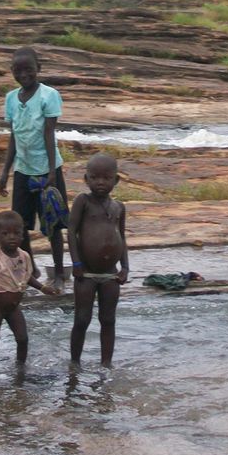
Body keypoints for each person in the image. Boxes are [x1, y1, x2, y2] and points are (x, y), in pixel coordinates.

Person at [0, 47, 69, 291]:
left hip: (47, 169)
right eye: (18, 70)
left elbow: (49, 134)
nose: (24, 74)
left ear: (39, 68)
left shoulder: (49, 95)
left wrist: (50, 172)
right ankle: (31, 269)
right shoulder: (11, 99)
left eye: (29, 69)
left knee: (54, 224)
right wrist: (5, 172)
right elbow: (14, 137)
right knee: (21, 226)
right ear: (12, 71)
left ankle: (59, 273)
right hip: (23, 170)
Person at [0, 210, 56, 364]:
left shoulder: (24, 256)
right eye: (5, 233)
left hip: (13, 308)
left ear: (22, 236)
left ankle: (20, 369)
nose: (11, 237)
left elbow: (27, 277)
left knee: (23, 339)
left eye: (16, 233)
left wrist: (42, 288)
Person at [67, 153, 129, 367]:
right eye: (94, 178)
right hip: (86, 274)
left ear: (116, 180)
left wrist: (125, 267)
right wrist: (76, 264)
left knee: (108, 320)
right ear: (86, 179)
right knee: (82, 320)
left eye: (106, 178)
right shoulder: (83, 202)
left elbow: (122, 237)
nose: (100, 182)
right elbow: (71, 232)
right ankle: (75, 363)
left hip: (111, 274)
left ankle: (106, 364)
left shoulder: (118, 207)